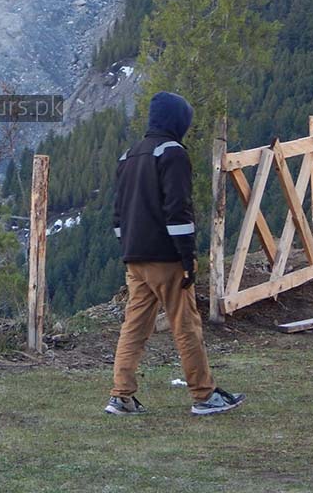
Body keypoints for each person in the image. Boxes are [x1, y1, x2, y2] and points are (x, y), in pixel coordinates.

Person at [106, 91, 245, 416]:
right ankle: (204, 395)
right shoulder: (173, 154)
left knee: (134, 327)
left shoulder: (128, 156)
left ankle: (121, 396)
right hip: (166, 258)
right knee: (186, 325)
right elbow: (178, 212)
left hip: (134, 258)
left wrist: (127, 249)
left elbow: (117, 216)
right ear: (176, 120)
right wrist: (187, 258)